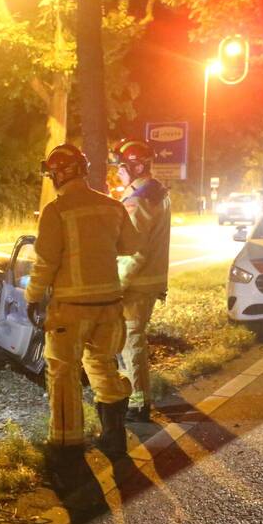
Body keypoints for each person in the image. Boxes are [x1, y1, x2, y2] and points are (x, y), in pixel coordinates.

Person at [24, 144, 140, 459]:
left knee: (63, 373)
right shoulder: (112, 207)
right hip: (109, 307)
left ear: (59, 174)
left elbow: (45, 263)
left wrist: (33, 296)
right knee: (104, 367)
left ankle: (66, 445)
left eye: (51, 174)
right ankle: (114, 437)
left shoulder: (56, 211)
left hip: (70, 311)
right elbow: (130, 245)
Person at [112, 139, 171, 423]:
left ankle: (138, 404)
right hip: (149, 282)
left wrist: (116, 285)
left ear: (133, 167)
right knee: (129, 342)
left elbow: (135, 250)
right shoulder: (155, 192)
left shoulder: (139, 199)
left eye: (121, 169)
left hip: (137, 285)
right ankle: (137, 398)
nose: (117, 174)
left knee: (131, 343)